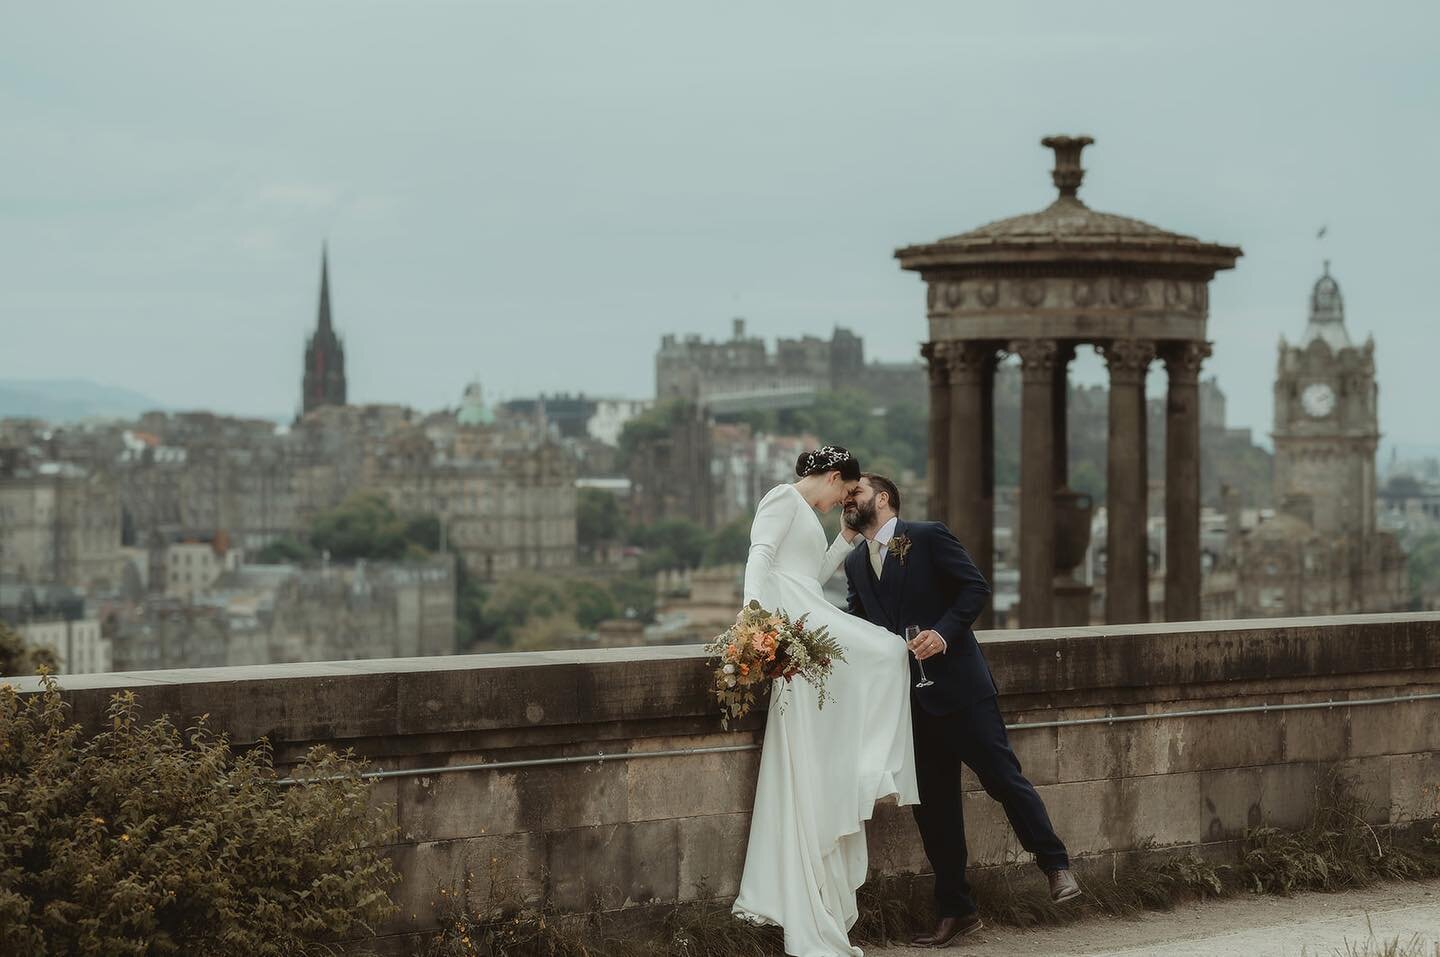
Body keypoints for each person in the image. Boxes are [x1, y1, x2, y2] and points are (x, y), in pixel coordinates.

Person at [842, 473, 1081, 948]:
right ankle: (957, 911)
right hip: (910, 702)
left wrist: (944, 633)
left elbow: (974, 589)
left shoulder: (927, 535)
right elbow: (858, 622)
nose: (848, 500)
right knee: (934, 811)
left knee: (1003, 779)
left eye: (857, 493)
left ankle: (1056, 867)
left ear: (883, 498)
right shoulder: (855, 565)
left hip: (961, 690)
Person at [732, 447, 919, 957]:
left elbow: (809, 574)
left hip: (805, 609)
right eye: (845, 491)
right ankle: (872, 768)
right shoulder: (780, 499)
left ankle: (863, 770)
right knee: (885, 652)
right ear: (835, 477)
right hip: (792, 619)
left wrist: (845, 540)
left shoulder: (807, 516)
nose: (845, 501)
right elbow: (760, 560)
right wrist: (755, 623)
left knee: (883, 655)